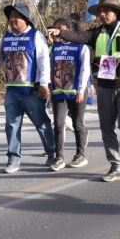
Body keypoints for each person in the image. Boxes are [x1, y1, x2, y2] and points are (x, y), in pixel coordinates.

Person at [48, 0, 120, 182]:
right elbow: (79, 37)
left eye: (106, 11)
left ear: (116, 12)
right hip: (104, 87)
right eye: (100, 12)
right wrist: (60, 33)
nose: (102, 15)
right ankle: (115, 166)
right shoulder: (97, 32)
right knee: (106, 128)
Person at [0, 3, 56, 173]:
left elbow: (43, 61)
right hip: (12, 91)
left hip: (31, 90)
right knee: (11, 125)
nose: (12, 20)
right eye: (10, 17)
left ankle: (52, 152)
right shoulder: (5, 37)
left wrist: (44, 83)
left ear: (25, 19)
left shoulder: (35, 36)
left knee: (42, 123)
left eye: (17, 17)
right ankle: (13, 158)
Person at [49, 17, 90, 171]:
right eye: (55, 27)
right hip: (59, 92)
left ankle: (81, 155)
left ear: (69, 29)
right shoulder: (54, 47)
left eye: (61, 27)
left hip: (77, 92)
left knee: (77, 124)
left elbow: (85, 70)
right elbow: (49, 67)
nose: (57, 30)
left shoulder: (81, 46)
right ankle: (59, 157)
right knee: (59, 124)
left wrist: (80, 91)